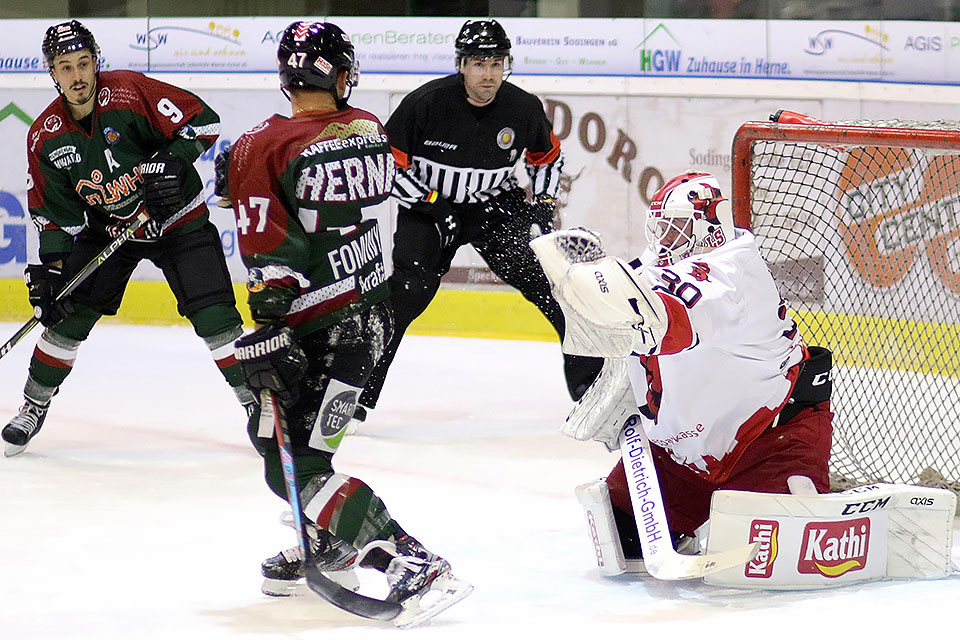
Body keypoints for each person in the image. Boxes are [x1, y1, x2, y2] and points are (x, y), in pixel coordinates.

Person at [223, 21, 471, 624]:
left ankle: (410, 561)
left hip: (313, 328)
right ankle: (331, 539)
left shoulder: (262, 144)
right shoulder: (366, 129)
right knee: (302, 451)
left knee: (296, 464)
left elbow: (268, 237)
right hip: (369, 318)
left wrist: (271, 322)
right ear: (337, 75)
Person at [531, 171, 834, 566]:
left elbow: (662, 322)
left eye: (673, 229)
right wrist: (578, 285)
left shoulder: (733, 275)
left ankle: (801, 498)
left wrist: (596, 283)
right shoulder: (661, 266)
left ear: (708, 225)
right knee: (621, 543)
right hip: (681, 458)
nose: (663, 242)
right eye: (658, 229)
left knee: (769, 562)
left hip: (767, 444)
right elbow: (619, 321)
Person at [2, 20, 250, 457]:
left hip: (179, 221)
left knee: (216, 318)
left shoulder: (130, 92)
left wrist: (173, 161)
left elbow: (203, 122)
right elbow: (53, 216)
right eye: (66, 67)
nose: (77, 76)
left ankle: (257, 406)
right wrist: (54, 274)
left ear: (96, 62)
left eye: (84, 63)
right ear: (52, 72)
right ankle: (33, 405)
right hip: (110, 230)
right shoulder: (45, 136)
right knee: (66, 316)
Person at [355, 18, 603, 420]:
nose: (488, 74)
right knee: (408, 291)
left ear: (506, 65)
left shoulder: (522, 107)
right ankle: (355, 392)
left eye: (496, 64)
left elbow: (547, 158)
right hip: (430, 208)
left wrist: (540, 207)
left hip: (494, 207)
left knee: (553, 284)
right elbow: (386, 167)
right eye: (478, 64)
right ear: (462, 65)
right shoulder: (425, 104)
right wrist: (432, 204)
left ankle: (590, 386)